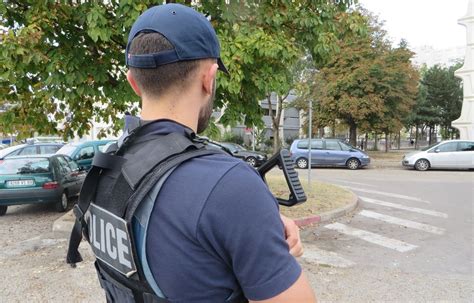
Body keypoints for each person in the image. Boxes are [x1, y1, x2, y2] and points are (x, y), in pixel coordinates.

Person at [70, 3, 316, 303]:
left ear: (133, 83)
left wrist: (259, 222)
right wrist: (251, 216)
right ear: (209, 78)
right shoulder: (231, 187)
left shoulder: (107, 165)